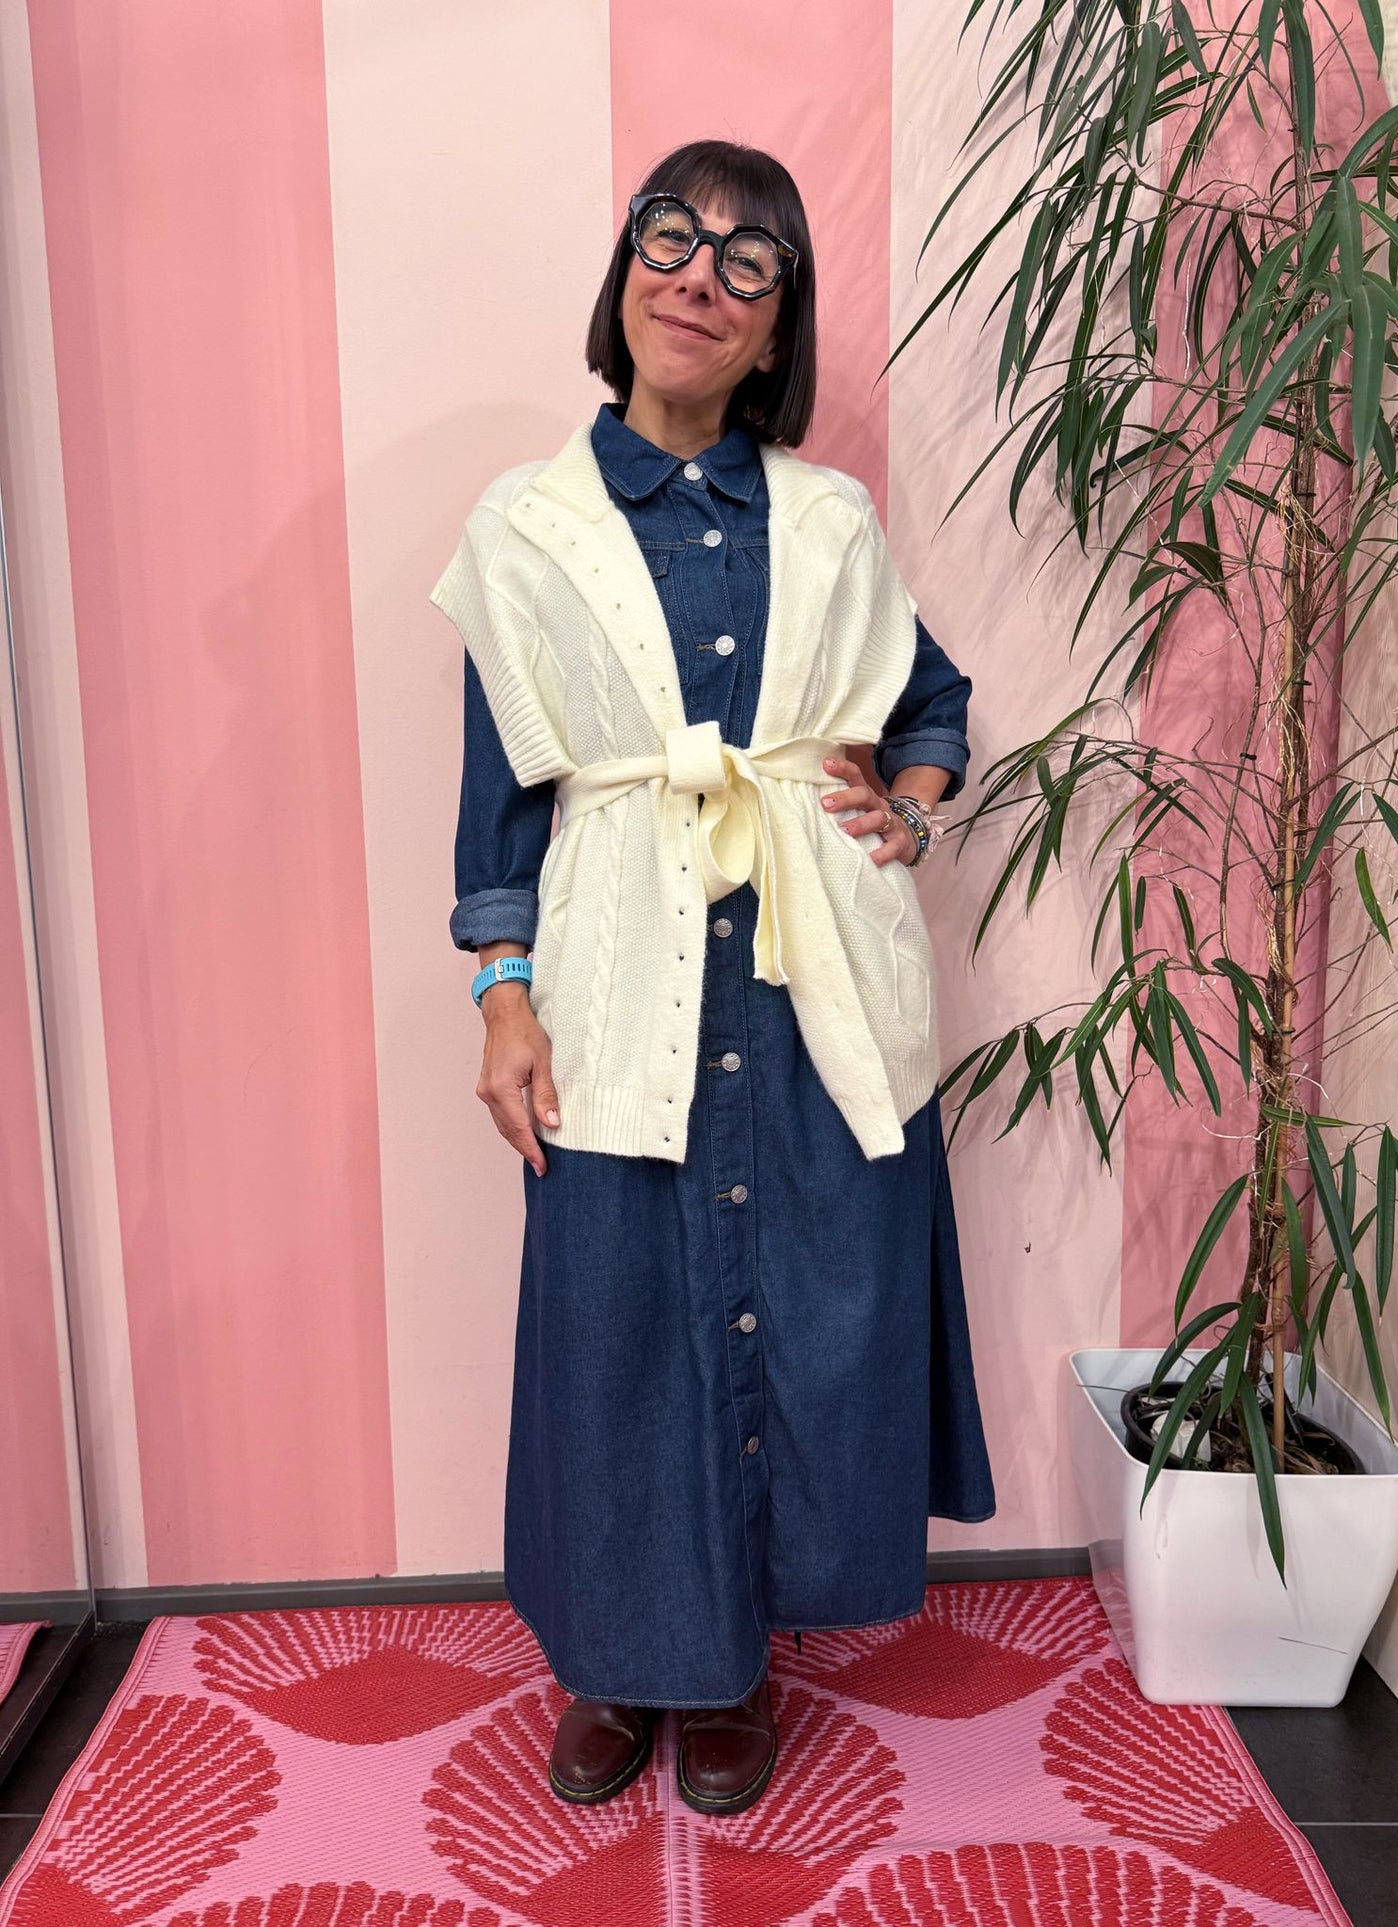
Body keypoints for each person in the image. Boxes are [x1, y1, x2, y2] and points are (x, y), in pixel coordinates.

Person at [429, 139, 996, 1818]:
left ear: (775, 326)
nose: (701, 276)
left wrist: (905, 811)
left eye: (750, 262)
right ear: (625, 272)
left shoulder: (827, 520)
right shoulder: (524, 527)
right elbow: (499, 796)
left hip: (813, 989)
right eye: (672, 236)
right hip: (615, 976)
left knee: (805, 1313)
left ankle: (738, 1661)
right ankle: (620, 1661)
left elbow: (932, 699)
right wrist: (503, 993)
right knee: (618, 1330)